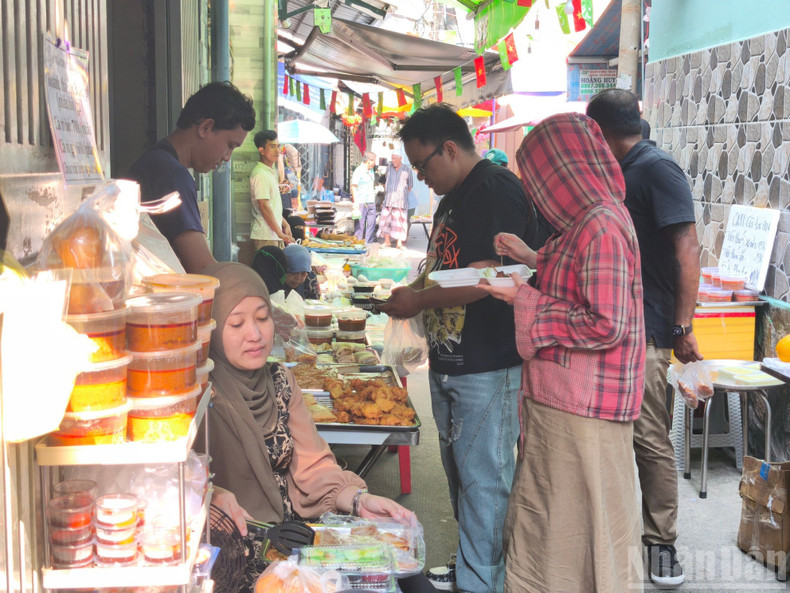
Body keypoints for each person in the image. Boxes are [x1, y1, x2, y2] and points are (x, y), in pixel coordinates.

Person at [379, 103, 550, 593]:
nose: (419, 176)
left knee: (486, 484)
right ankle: (474, 569)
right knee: (463, 478)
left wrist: (421, 298)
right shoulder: (452, 195)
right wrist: (414, 288)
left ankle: (484, 582)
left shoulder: (494, 189)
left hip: (488, 364)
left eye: (423, 164)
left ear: (450, 148)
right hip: (454, 361)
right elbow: (445, 264)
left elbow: (489, 276)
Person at [481, 113, 645, 593]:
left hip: (585, 412)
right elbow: (575, 279)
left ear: (564, 168)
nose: (536, 191)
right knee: (552, 522)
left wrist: (522, 297)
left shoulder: (602, 227)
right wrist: (531, 258)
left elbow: (606, 324)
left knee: (581, 528)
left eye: (539, 178)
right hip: (562, 403)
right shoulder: (583, 223)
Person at [199, 262, 413, 591]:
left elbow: (312, 463)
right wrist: (232, 511)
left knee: (403, 571)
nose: (254, 335)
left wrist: (357, 500)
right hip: (226, 554)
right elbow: (180, 489)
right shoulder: (197, 399)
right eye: (236, 323)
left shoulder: (279, 381)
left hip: (291, 535)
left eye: (262, 317)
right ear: (211, 330)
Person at [587, 88, 702, 588]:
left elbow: (688, 247)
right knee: (611, 438)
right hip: (614, 328)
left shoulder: (657, 170)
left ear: (600, 132)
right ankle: (614, 535)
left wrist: (681, 328)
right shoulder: (620, 170)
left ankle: (661, 545)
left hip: (652, 331)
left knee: (649, 439)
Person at [126, 81, 255, 273]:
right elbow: (202, 267)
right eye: (230, 145)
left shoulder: (157, 161)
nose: (227, 157)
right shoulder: (171, 175)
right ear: (206, 128)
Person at [250, 130, 293, 250]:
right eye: (272, 147)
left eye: (278, 146)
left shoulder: (270, 172)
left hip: (274, 235)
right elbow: (264, 206)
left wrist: (285, 224)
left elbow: (273, 207)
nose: (277, 151)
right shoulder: (260, 174)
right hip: (265, 236)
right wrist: (279, 232)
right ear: (261, 150)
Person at [378, 151, 414, 249]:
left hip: (401, 202)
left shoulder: (407, 170)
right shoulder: (389, 167)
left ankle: (399, 243)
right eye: (392, 158)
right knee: (386, 222)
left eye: (395, 159)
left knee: (400, 223)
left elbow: (410, 186)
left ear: (400, 159)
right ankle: (386, 241)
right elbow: (386, 180)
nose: (392, 161)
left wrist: (401, 193)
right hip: (389, 200)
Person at [351, 151, 378, 244]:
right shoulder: (359, 171)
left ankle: (368, 243)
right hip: (361, 202)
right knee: (360, 225)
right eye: (374, 161)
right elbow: (353, 187)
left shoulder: (371, 171)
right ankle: (358, 244)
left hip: (371, 201)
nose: (375, 163)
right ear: (369, 161)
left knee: (372, 223)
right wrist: (356, 202)